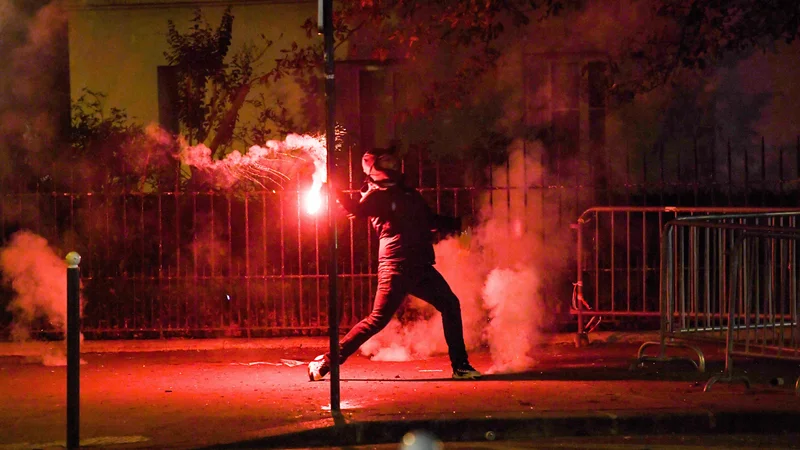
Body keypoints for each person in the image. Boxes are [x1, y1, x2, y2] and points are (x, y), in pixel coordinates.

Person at [308, 146, 481, 381]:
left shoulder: (408, 194)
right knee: (376, 321)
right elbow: (355, 209)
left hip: (419, 265)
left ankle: (461, 367)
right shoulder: (376, 195)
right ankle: (326, 362)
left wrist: (459, 223)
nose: (391, 166)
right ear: (374, 168)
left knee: (450, 305)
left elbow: (429, 220)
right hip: (396, 266)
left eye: (392, 162)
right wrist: (333, 188)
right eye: (385, 162)